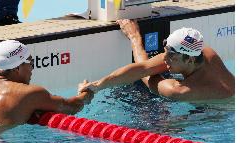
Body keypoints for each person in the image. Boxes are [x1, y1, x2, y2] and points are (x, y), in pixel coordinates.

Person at [79, 19, 234, 101]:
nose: (165, 57)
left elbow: (145, 75)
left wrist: (135, 38)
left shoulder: (178, 91)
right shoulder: (205, 52)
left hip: (214, 113)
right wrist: (98, 85)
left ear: (189, 60)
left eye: (171, 55)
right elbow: (144, 67)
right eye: (165, 51)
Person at [0, 40, 94, 138]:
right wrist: (86, 93)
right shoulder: (29, 93)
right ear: (17, 68)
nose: (32, 68)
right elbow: (71, 107)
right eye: (30, 63)